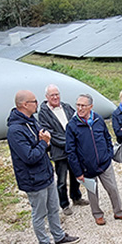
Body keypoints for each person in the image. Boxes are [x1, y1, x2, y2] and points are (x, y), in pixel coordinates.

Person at [6, 90, 80, 244]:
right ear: (25, 105)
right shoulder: (15, 130)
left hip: (45, 173)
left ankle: (59, 236)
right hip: (32, 179)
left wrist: (43, 142)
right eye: (34, 101)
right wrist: (44, 143)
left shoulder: (32, 120)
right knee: (39, 213)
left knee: (53, 208)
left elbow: (43, 139)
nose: (37, 104)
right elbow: (30, 156)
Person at [66, 93, 122, 225]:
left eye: (83, 105)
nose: (79, 108)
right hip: (86, 167)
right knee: (92, 193)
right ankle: (97, 215)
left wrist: (108, 154)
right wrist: (78, 172)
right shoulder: (72, 126)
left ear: (91, 106)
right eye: (78, 105)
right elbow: (70, 151)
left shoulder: (98, 119)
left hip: (104, 163)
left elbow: (107, 137)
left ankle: (119, 212)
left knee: (113, 188)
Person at [36, 84, 88, 215]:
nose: (55, 97)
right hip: (59, 152)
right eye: (52, 95)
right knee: (61, 180)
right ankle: (64, 204)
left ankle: (76, 197)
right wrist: (70, 142)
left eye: (57, 94)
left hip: (73, 150)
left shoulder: (66, 107)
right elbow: (50, 134)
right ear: (46, 97)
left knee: (76, 174)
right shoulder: (43, 113)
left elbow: (76, 122)